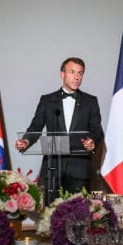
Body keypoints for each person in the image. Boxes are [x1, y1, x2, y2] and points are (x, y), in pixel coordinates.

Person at [15, 57, 104, 202]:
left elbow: (97, 130)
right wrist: (26, 140)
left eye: (80, 73)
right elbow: (36, 126)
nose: (76, 77)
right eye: (72, 72)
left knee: (79, 217)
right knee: (51, 217)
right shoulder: (47, 100)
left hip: (80, 171)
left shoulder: (90, 101)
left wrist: (92, 140)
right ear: (62, 74)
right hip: (53, 169)